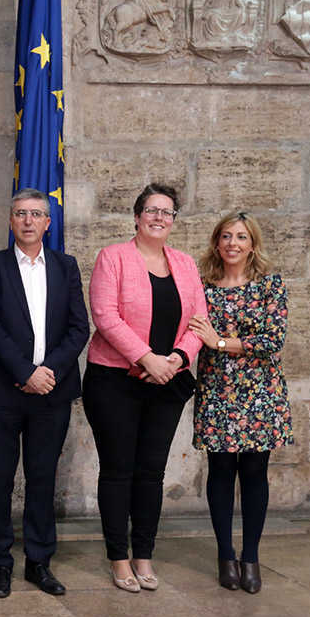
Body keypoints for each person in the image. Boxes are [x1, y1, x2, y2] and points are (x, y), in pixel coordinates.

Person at [82, 184, 206, 593]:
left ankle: (144, 555)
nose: (159, 217)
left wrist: (177, 360)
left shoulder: (185, 264)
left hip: (167, 381)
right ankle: (119, 558)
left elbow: (199, 322)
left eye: (167, 212)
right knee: (118, 471)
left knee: (151, 473)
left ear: (174, 221)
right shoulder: (113, 257)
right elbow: (105, 315)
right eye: (151, 210)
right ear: (137, 217)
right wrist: (146, 358)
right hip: (115, 381)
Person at [0, 190, 89, 598]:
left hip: (51, 392)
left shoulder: (65, 266)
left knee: (41, 479)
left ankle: (39, 561)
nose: (28, 221)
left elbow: (79, 327)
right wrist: (25, 372)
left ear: (47, 223)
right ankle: (0, 562)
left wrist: (47, 373)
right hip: (3, 391)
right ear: (11, 221)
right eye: (20, 214)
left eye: (36, 214)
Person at [189, 212, 292, 594]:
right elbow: (189, 330)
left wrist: (218, 341)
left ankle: (250, 558)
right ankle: (225, 555)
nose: (233, 243)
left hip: (259, 392)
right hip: (217, 390)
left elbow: (272, 340)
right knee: (219, 471)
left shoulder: (270, 285)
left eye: (242, 237)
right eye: (227, 236)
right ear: (217, 242)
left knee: (253, 472)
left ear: (252, 245)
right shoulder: (202, 287)